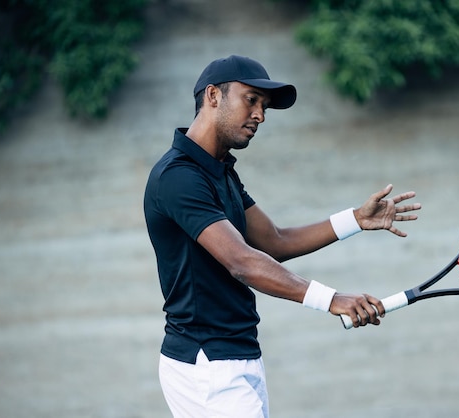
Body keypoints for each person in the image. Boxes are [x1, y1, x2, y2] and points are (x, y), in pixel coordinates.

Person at [143, 55, 421, 417]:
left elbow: (275, 241)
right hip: (205, 364)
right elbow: (242, 261)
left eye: (265, 106)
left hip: (239, 355)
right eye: (251, 99)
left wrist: (355, 219)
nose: (260, 114)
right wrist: (331, 298)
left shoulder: (220, 171)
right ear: (213, 95)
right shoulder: (178, 177)